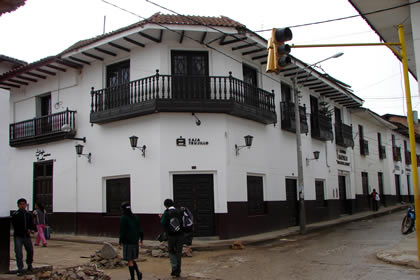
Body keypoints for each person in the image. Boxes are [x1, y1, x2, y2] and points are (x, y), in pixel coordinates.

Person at [119, 202, 144, 280]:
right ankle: (138, 273)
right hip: (135, 240)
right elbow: (140, 229)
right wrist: (141, 239)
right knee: (132, 259)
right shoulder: (135, 217)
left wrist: (120, 242)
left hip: (127, 241)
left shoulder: (123, 218)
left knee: (129, 260)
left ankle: (132, 278)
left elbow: (122, 231)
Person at [11, 198, 36, 276]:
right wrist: (26, 230)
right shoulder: (15, 214)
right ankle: (20, 268)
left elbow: (31, 224)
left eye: (24, 204)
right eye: (21, 204)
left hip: (26, 236)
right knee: (18, 252)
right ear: (18, 205)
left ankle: (29, 264)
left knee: (30, 250)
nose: (22, 206)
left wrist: (32, 230)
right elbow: (15, 226)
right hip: (18, 236)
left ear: (26, 205)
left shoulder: (28, 214)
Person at [160, 198, 184, 278]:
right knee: (179, 252)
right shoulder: (179, 211)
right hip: (180, 235)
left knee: (171, 251)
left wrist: (161, 217)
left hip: (171, 236)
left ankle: (174, 268)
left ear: (165, 206)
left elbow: (162, 222)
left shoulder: (166, 212)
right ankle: (178, 270)